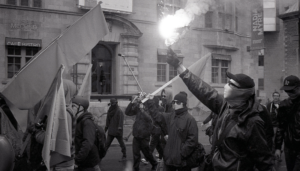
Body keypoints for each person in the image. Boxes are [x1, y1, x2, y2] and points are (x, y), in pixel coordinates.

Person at [166, 48, 274, 171]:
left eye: (230, 84)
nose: (225, 85)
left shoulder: (253, 122)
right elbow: (201, 89)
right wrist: (179, 65)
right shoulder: (225, 106)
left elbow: (264, 161)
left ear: (241, 93)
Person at [28, 79, 77, 171]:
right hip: (61, 162)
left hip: (59, 163)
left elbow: (55, 140)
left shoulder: (63, 114)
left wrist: (37, 132)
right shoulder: (65, 110)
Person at [146, 92, 198, 171]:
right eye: (174, 102)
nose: (175, 104)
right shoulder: (171, 116)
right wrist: (150, 101)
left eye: (177, 102)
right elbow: (157, 116)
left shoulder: (190, 120)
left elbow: (192, 141)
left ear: (183, 104)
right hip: (169, 159)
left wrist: (181, 154)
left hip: (182, 161)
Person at [125, 95, 158, 171]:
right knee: (135, 154)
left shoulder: (150, 108)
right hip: (136, 135)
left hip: (144, 136)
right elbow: (127, 112)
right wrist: (132, 102)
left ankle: (154, 163)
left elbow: (150, 119)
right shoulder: (138, 108)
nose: (140, 99)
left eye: (141, 98)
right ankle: (136, 168)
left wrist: (142, 110)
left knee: (147, 153)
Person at [274, 75, 300, 171]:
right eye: (287, 91)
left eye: (292, 91)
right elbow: (281, 127)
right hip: (289, 147)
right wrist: (277, 147)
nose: (289, 93)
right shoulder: (284, 105)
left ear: (299, 88)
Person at [73, 96, 101, 171]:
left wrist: (77, 160)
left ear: (81, 108)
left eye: (73, 106)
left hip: (89, 163)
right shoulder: (80, 120)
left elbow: (87, 143)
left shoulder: (87, 122)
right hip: (84, 162)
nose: (72, 108)